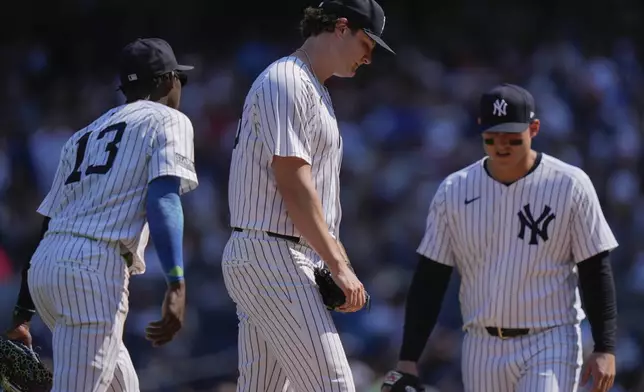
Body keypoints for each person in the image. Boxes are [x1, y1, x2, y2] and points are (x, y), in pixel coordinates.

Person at [382, 84, 618, 392]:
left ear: (534, 129)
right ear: (481, 129)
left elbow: (594, 269)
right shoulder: (455, 190)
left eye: (512, 138)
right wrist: (408, 358)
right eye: (492, 139)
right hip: (481, 344)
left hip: (549, 340)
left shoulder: (570, 185)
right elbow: (430, 279)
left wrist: (605, 346)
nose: (501, 147)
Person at [4, 37, 199, 392]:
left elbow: (47, 225)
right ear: (168, 79)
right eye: (179, 79)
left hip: (48, 268)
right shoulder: (169, 119)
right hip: (92, 271)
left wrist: (22, 314)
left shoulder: (82, 135)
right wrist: (176, 281)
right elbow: (164, 198)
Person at [221, 0, 394, 391]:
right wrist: (339, 265)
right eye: (368, 43)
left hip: (279, 253)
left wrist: (334, 259)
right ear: (341, 27)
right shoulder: (286, 80)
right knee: (333, 385)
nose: (369, 58)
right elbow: (293, 183)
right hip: (270, 253)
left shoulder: (313, 88)